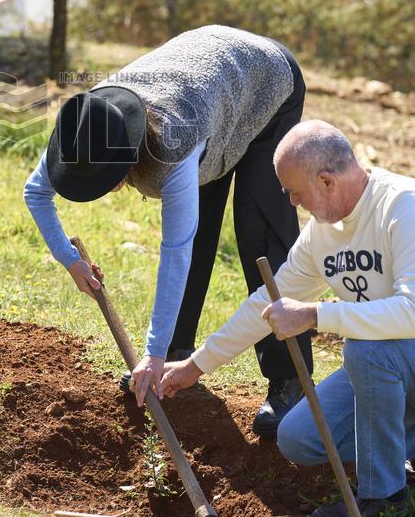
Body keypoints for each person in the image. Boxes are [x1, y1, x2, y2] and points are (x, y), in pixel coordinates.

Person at [24, 25, 313, 436]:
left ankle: (290, 383)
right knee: (199, 221)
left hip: (265, 82)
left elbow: (176, 249)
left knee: (259, 232)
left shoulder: (173, 148)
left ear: (127, 163)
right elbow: (36, 193)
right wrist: (70, 260)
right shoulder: (85, 125)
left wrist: (150, 352)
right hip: (211, 94)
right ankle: (176, 352)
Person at [162, 119, 415, 517]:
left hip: (396, 357)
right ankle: (400, 447)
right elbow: (267, 301)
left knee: (366, 350)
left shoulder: (402, 205)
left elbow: (411, 311)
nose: (293, 202)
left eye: (296, 191)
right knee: (298, 437)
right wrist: (194, 366)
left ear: (327, 181)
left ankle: (383, 496)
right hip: (391, 371)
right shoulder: (321, 234)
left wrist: (316, 314)